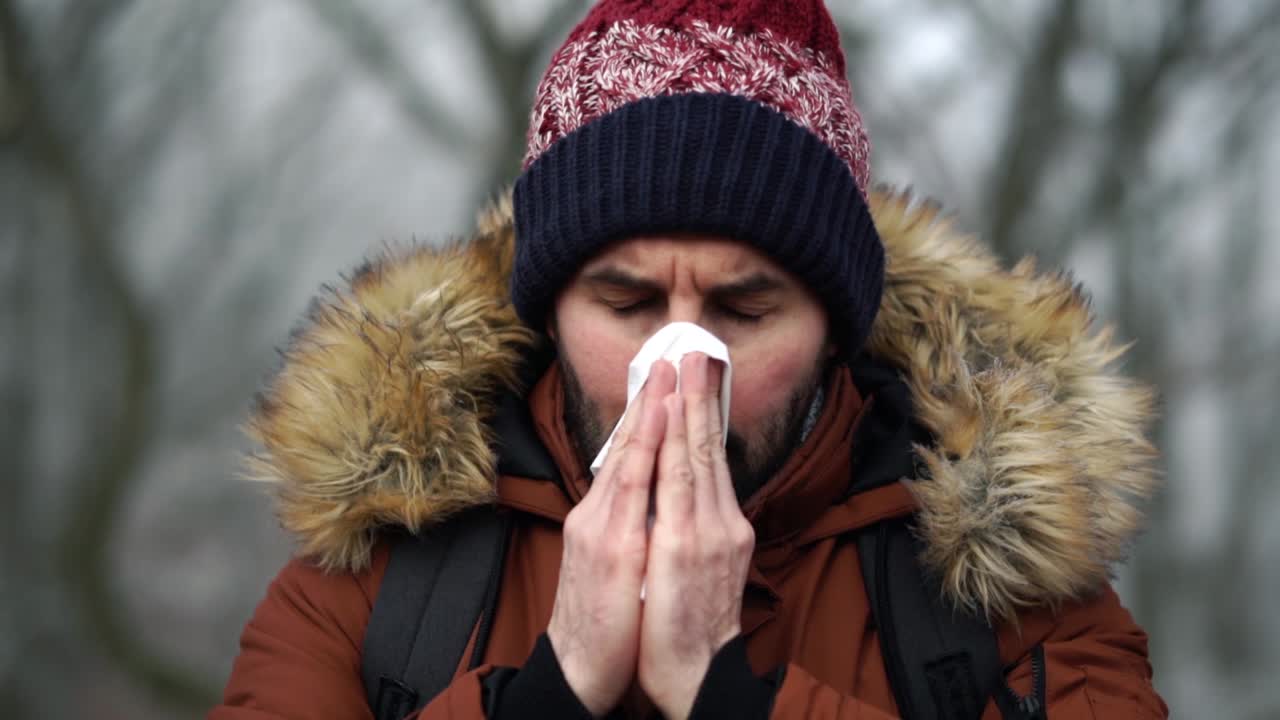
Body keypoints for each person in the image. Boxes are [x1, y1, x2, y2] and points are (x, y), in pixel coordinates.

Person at [211, 1, 1168, 718]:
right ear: (547, 312)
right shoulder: (385, 567)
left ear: (835, 328)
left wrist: (729, 698)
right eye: (625, 303)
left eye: (744, 309)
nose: (677, 364)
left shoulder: (1005, 586)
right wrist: (553, 688)